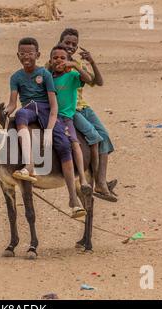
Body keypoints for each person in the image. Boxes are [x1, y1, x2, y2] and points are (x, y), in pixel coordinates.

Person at [5, 37, 86, 215]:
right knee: (18, 116)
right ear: (18, 55)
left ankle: (74, 198)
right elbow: (12, 103)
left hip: (46, 111)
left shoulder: (46, 74)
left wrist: (49, 130)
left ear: (38, 55)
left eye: (30, 53)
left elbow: (54, 105)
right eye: (23, 53)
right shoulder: (15, 77)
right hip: (27, 108)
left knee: (65, 146)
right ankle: (29, 165)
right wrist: (4, 111)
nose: (27, 56)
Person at [59, 28, 118, 202]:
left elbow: (98, 82)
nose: (70, 47)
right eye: (67, 43)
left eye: (73, 45)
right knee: (95, 138)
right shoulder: (56, 62)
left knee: (105, 137)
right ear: (60, 42)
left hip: (84, 107)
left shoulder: (78, 64)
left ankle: (101, 180)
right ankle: (98, 181)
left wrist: (91, 62)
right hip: (71, 110)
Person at [50, 44, 93, 192]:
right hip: (50, 117)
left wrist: (75, 65)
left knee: (74, 143)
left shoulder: (72, 76)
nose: (58, 60)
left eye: (63, 58)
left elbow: (88, 79)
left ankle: (82, 178)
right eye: (55, 58)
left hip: (66, 118)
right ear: (50, 61)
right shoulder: (48, 78)